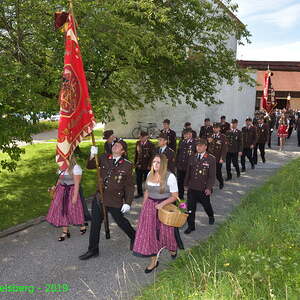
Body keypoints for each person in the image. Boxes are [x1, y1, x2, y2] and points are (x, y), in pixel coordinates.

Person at [79, 140, 136, 260]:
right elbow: (90, 166)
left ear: (123, 151)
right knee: (95, 223)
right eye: (115, 144)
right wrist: (92, 155)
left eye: (119, 146)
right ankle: (93, 250)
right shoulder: (104, 157)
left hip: (115, 199)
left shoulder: (127, 164)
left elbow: (129, 186)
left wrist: (128, 202)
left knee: (121, 222)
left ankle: (134, 237)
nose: (115, 146)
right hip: (100, 197)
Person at [132, 154, 184, 273]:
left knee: (167, 233)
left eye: (158, 162)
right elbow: (147, 192)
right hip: (150, 207)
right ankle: (153, 261)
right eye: (154, 162)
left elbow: (175, 196)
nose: (155, 164)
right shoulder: (150, 174)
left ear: (164, 164)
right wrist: (143, 207)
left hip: (164, 207)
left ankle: (172, 247)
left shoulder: (170, 177)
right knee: (150, 234)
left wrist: (162, 204)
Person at [46, 155, 88, 241]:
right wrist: (54, 187)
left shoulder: (76, 168)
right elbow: (59, 179)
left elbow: (77, 184)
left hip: (71, 191)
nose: (60, 161)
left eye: (62, 158)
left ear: (68, 158)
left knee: (74, 210)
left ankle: (82, 225)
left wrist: (75, 197)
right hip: (61, 191)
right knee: (62, 210)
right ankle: (65, 231)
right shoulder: (62, 167)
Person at [184, 139, 216, 234]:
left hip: (203, 188)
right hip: (192, 188)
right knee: (190, 208)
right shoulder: (192, 157)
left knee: (206, 205)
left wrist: (209, 188)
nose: (199, 147)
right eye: (197, 146)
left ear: (206, 147)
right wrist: (185, 184)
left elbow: (212, 176)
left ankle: (211, 216)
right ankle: (191, 226)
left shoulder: (211, 158)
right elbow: (188, 172)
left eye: (201, 146)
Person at [134, 131, 155, 198]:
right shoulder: (138, 143)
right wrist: (135, 163)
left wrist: (150, 165)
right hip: (139, 165)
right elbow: (136, 154)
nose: (141, 138)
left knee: (147, 180)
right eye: (140, 137)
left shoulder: (151, 144)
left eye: (142, 137)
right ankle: (139, 193)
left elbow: (152, 156)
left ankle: (147, 193)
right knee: (138, 180)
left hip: (147, 166)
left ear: (146, 137)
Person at [176, 128, 196, 199]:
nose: (184, 135)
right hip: (181, 167)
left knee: (189, 184)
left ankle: (191, 199)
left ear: (190, 134)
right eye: (184, 134)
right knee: (180, 183)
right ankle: (180, 199)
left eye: (186, 134)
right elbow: (178, 153)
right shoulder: (182, 142)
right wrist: (177, 163)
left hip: (190, 167)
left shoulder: (195, 143)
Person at [207, 122, 228, 189]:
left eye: (216, 128)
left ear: (219, 128)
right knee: (210, 173)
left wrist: (222, 158)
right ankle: (210, 187)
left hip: (218, 158)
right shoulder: (210, 135)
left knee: (218, 173)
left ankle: (221, 182)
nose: (215, 129)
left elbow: (224, 149)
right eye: (214, 127)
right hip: (210, 158)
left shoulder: (223, 137)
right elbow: (206, 147)